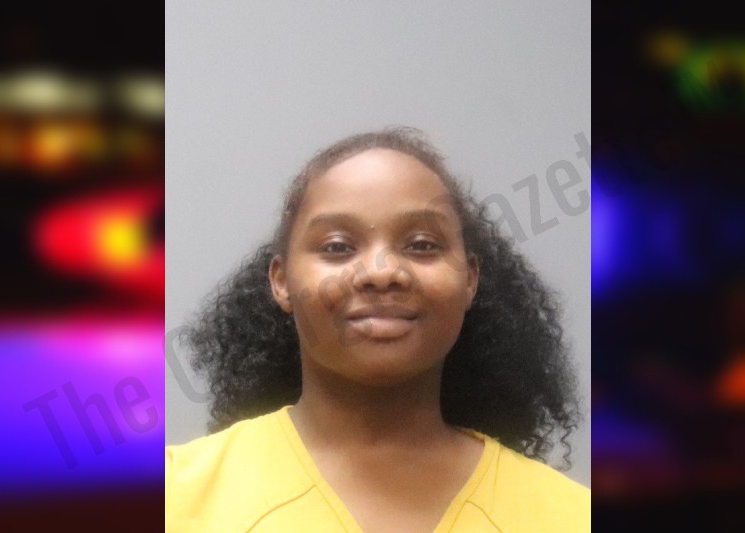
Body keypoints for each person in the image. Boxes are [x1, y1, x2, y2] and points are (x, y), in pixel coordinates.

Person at [165, 127, 589, 532]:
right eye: (337, 247)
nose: (381, 273)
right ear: (281, 281)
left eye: (422, 245)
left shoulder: (573, 517)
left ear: (470, 281)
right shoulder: (172, 499)